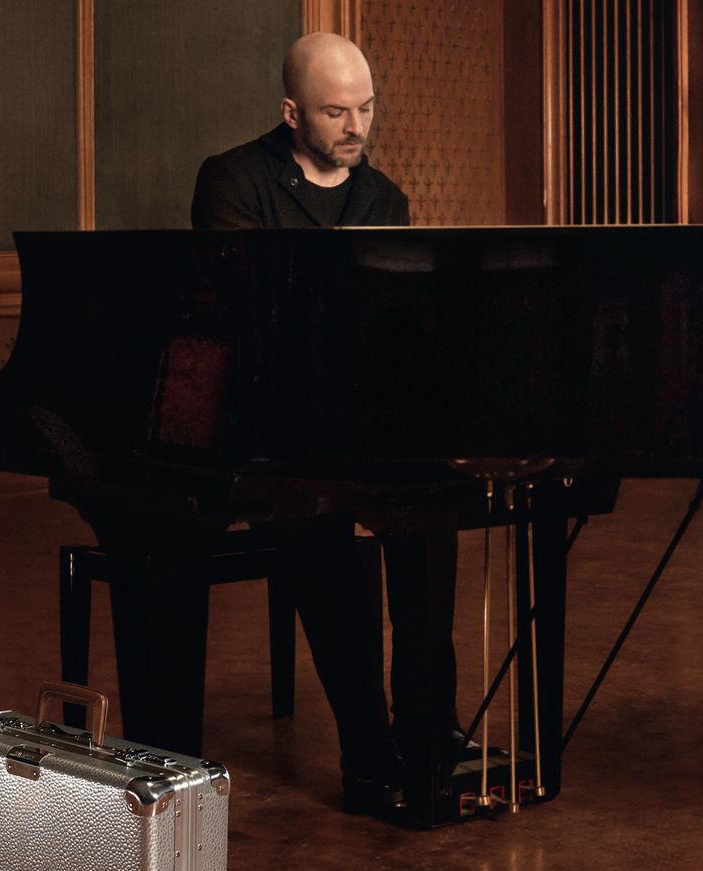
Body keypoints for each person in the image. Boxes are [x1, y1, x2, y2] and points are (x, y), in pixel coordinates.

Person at [190, 31, 469, 822]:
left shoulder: (384, 198)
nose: (356, 126)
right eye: (336, 111)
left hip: (364, 416)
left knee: (431, 508)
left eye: (366, 109)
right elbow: (243, 322)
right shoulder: (234, 181)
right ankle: (367, 750)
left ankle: (427, 731)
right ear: (290, 112)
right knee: (321, 527)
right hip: (270, 424)